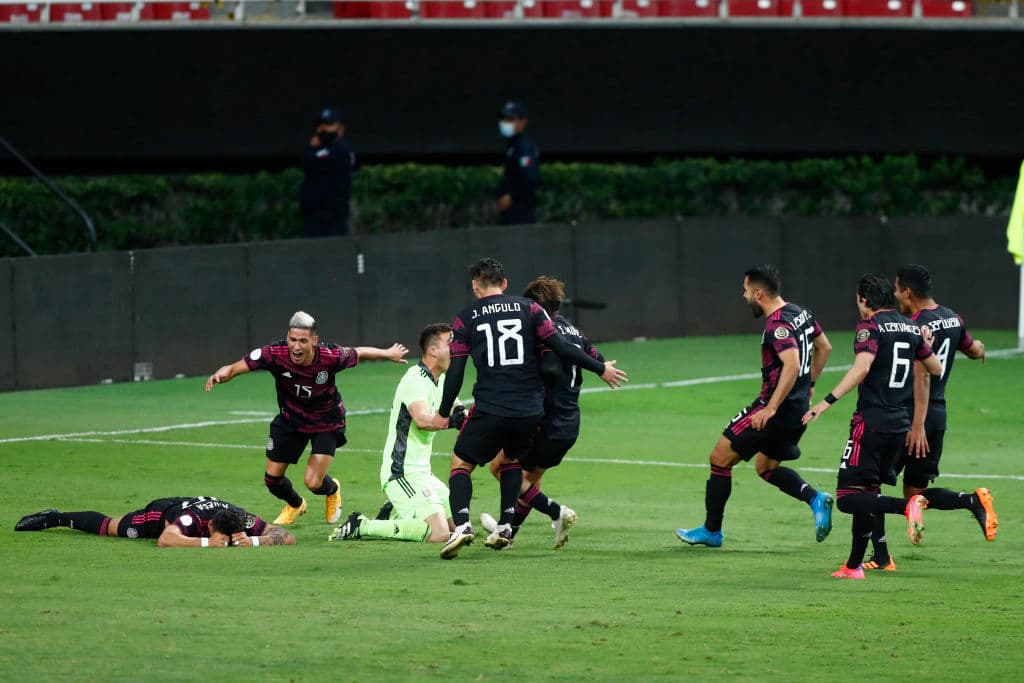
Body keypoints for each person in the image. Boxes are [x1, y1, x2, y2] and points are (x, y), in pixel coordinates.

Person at [430, 257, 627, 559]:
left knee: (463, 462)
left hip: (496, 404)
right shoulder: (533, 312)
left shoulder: (466, 317)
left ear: (475, 286)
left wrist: (444, 412)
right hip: (536, 411)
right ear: (505, 283)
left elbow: (456, 371)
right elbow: (564, 349)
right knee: (512, 462)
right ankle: (507, 527)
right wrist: (600, 368)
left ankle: (463, 526)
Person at [676, 264, 835, 548]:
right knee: (766, 466)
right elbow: (825, 347)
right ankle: (815, 498)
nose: (743, 295)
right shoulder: (801, 312)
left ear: (759, 293)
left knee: (719, 458)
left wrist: (771, 408)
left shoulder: (777, 324)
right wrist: (809, 386)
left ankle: (712, 531)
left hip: (775, 408)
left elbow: (792, 364)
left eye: (746, 290)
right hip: (798, 409)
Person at [205, 310, 408, 527]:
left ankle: (333, 489)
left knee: (313, 482)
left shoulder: (330, 356)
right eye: (293, 340)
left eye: (303, 341)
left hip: (326, 422)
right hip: (290, 420)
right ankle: (295, 504)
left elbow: (359, 352)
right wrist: (221, 375)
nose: (296, 346)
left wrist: (388, 353)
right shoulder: (274, 353)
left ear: (314, 340)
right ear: (288, 337)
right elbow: (237, 367)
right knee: (272, 480)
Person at [802, 274, 942, 580]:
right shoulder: (911, 328)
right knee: (867, 493)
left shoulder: (870, 327)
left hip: (872, 422)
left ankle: (907, 507)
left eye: (857, 299)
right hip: (899, 425)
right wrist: (924, 345)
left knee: (847, 497)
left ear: (865, 300)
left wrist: (826, 401)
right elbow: (935, 368)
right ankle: (853, 566)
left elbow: (862, 367)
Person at [860, 265, 995, 571]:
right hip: (938, 415)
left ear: (907, 292)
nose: (894, 295)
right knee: (915, 493)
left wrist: (916, 425)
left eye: (896, 289)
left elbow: (921, 376)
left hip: (911, 416)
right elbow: (972, 349)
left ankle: (881, 557)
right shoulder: (953, 317)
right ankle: (972, 501)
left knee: (870, 485)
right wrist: (981, 349)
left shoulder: (916, 324)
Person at [479, 276, 601, 550]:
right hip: (569, 424)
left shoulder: (542, 332)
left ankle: (556, 512)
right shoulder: (574, 331)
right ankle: (505, 534)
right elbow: (597, 358)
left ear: (534, 307)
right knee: (529, 480)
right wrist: (604, 368)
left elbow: (547, 369)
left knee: (500, 468)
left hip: (545, 420)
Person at [328, 323, 468, 544]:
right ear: (432, 350)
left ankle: (394, 513)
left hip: (424, 474)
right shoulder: (415, 379)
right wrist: (452, 422)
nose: (457, 347)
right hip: (401, 473)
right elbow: (422, 420)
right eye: (450, 342)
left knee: (459, 525)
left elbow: (460, 411)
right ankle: (362, 525)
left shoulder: (441, 380)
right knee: (439, 534)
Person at [14, 496, 295, 547]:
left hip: (198, 509)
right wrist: (208, 543)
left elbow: (286, 535)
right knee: (111, 528)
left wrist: (256, 541)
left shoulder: (239, 518)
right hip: (164, 512)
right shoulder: (192, 520)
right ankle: (55, 517)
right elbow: (166, 539)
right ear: (210, 527)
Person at [299, 107, 355, 238]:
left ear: (340, 129)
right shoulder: (321, 149)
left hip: (332, 214)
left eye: (328, 125)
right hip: (313, 214)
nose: (323, 129)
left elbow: (313, 160)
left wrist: (311, 149)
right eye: (321, 125)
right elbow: (305, 163)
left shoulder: (341, 150)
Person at [496, 101, 540, 226]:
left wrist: (512, 197)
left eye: (510, 119)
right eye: (503, 119)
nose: (505, 123)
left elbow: (530, 178)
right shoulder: (513, 145)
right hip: (512, 212)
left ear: (522, 122)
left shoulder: (523, 146)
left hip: (521, 212)